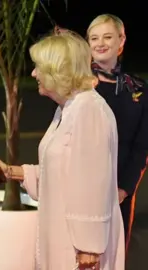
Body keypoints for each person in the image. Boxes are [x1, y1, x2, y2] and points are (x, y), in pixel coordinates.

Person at [0, 31, 124, 269]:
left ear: (58, 70)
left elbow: (92, 184)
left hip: (79, 249)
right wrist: (10, 172)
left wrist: (88, 249)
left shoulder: (88, 111)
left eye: (39, 67)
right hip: (65, 238)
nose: (33, 74)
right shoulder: (68, 109)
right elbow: (63, 173)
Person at [86, 14, 148, 251]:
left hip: (119, 192)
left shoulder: (139, 90)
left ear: (121, 41)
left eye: (108, 37)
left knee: (115, 254)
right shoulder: (75, 86)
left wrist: (124, 189)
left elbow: (142, 146)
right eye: (94, 38)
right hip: (81, 188)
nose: (100, 43)